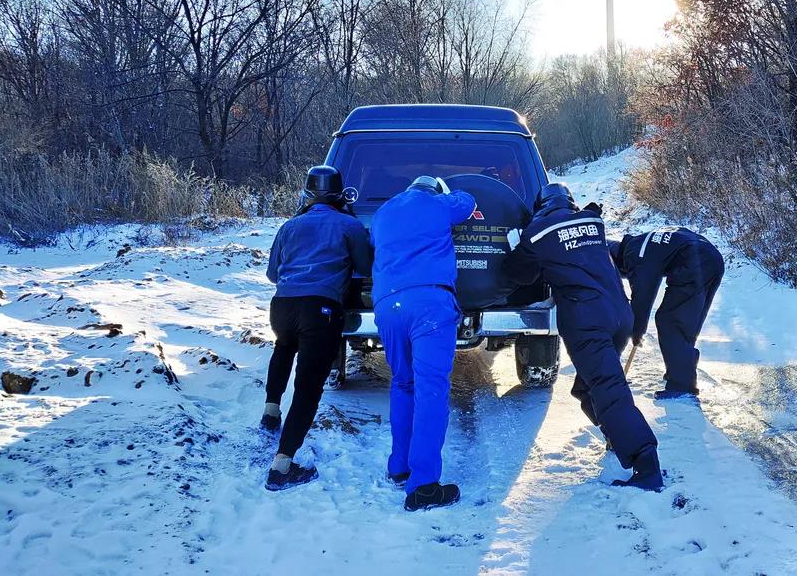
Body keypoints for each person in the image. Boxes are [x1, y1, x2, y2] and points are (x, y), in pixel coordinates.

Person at [502, 182, 663, 491]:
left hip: (587, 320)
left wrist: (520, 250)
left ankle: (645, 464)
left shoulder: (538, 231)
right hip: (620, 314)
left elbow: (517, 274)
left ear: (541, 206)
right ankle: (619, 436)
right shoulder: (592, 221)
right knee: (587, 387)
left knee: (607, 388)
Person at [262, 165, 373, 491]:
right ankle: (282, 467)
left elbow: (272, 274)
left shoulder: (289, 226)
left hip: (282, 306)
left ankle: (270, 412)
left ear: (308, 194)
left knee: (284, 347)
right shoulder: (349, 225)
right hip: (321, 308)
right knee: (309, 387)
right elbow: (365, 268)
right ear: (339, 195)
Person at [370, 175, 476, 511]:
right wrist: (451, 191)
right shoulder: (439, 203)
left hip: (388, 305)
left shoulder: (383, 212)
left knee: (403, 383)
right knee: (431, 388)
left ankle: (399, 466)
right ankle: (425, 486)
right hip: (429, 304)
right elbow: (468, 202)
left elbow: (374, 241)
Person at [608, 228, 724, 399]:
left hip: (694, 260)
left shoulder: (636, 254)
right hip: (711, 258)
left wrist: (636, 330)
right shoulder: (641, 243)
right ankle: (681, 373)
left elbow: (643, 295)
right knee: (685, 323)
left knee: (670, 322)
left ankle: (682, 385)